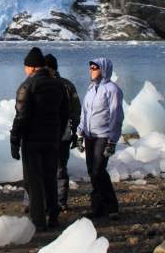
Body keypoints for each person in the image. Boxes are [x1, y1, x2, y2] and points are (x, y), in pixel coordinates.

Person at [10, 47, 69, 230]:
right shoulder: (58, 85)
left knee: (34, 181)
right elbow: (64, 113)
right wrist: (58, 134)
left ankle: (38, 221)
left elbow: (21, 116)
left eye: (26, 66)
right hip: (52, 139)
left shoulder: (27, 86)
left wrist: (14, 140)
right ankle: (53, 216)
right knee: (50, 178)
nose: (25, 70)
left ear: (31, 67)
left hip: (32, 140)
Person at [76, 58, 123, 220]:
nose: (92, 70)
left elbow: (116, 115)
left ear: (103, 69)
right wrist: (80, 133)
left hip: (103, 136)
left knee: (98, 170)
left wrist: (112, 140)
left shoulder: (112, 90)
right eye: (90, 68)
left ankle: (111, 207)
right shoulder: (91, 89)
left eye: (95, 67)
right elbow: (85, 113)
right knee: (92, 171)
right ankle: (98, 207)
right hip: (89, 136)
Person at [44, 54, 82, 212]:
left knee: (56, 168)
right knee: (55, 168)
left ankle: (57, 201)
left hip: (57, 135)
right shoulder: (67, 85)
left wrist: (73, 130)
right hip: (56, 135)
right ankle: (56, 201)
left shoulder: (63, 85)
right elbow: (77, 109)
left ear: (51, 68)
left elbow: (76, 109)